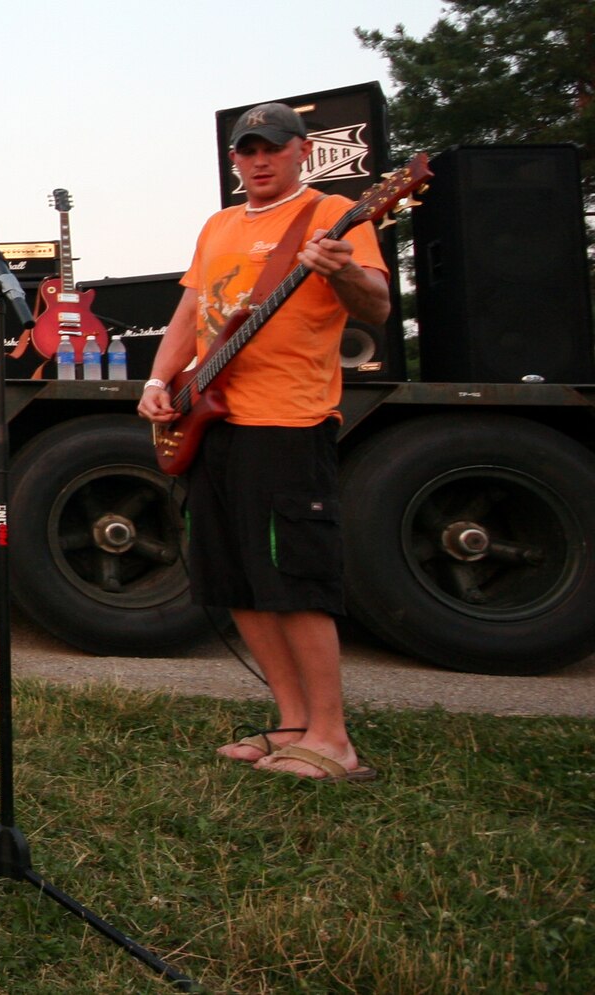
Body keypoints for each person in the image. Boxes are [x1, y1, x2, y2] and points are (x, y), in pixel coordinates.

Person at [137, 102, 389, 782]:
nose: (258, 160)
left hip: (288, 421)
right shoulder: (218, 224)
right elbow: (192, 311)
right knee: (237, 579)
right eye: (247, 150)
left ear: (301, 150)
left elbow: (377, 305)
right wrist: (162, 380)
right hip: (213, 419)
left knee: (294, 580)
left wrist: (336, 269)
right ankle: (290, 723)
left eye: (272, 148)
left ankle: (334, 738)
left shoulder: (331, 215)